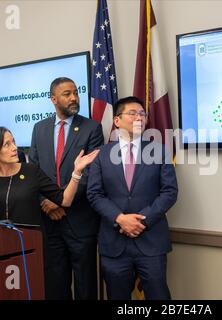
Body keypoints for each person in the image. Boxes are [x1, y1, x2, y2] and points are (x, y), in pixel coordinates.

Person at [87, 96, 178, 300]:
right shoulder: (102, 154)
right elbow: (94, 194)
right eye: (133, 113)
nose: (139, 117)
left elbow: (169, 192)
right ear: (117, 121)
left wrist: (140, 221)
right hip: (114, 242)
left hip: (151, 241)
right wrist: (120, 218)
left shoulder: (159, 150)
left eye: (142, 114)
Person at [29, 77, 104, 300]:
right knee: (55, 286)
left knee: (85, 286)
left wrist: (60, 201)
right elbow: (34, 170)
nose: (73, 98)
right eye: (67, 94)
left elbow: (91, 172)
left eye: (75, 92)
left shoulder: (92, 128)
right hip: (49, 223)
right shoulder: (39, 128)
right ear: (53, 99)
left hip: (80, 222)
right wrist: (44, 202)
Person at [0, 127, 98, 226]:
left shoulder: (31, 171)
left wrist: (77, 172)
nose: (14, 148)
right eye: (7, 144)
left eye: (13, 142)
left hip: (31, 244)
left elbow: (65, 200)